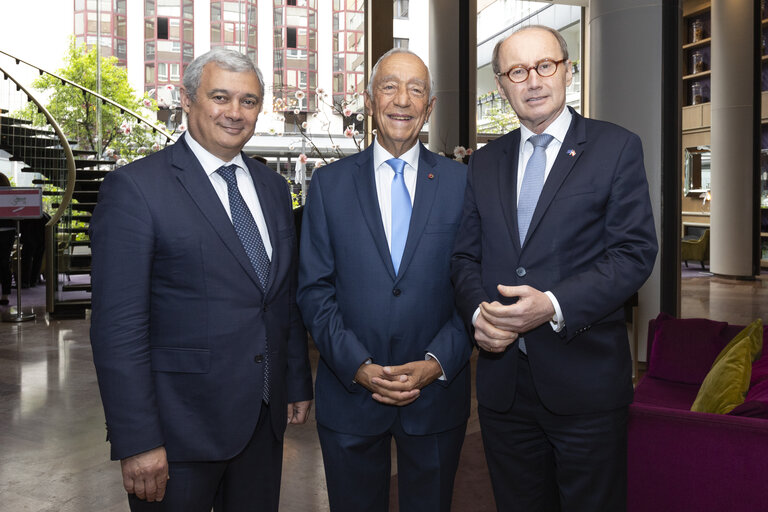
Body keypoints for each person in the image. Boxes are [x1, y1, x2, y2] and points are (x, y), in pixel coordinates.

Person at [89, 47, 313, 512]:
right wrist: (138, 439)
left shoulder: (272, 189)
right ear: (188, 100)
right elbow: (118, 330)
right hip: (176, 436)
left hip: (262, 423)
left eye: (248, 101)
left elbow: (280, 297)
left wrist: (295, 382)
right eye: (220, 97)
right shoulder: (136, 190)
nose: (235, 112)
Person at [451, 26, 658, 512]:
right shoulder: (483, 163)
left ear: (568, 69)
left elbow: (633, 253)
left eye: (545, 65)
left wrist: (552, 306)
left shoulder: (616, 147)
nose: (534, 81)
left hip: (585, 383)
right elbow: (464, 257)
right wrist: (479, 317)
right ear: (501, 85)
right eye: (517, 72)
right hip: (504, 390)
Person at [297, 48, 472, 512]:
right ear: (370, 101)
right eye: (390, 87)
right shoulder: (329, 185)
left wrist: (437, 361)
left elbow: (473, 287)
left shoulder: (461, 184)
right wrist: (357, 365)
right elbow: (315, 290)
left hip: (436, 396)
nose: (403, 100)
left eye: (416, 89)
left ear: (430, 107)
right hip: (350, 395)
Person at [0, 173, 14, 305]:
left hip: (5, 232)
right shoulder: (10, 196)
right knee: (4, 263)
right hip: (8, 232)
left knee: (4, 263)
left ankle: (4, 294)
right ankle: (5, 295)